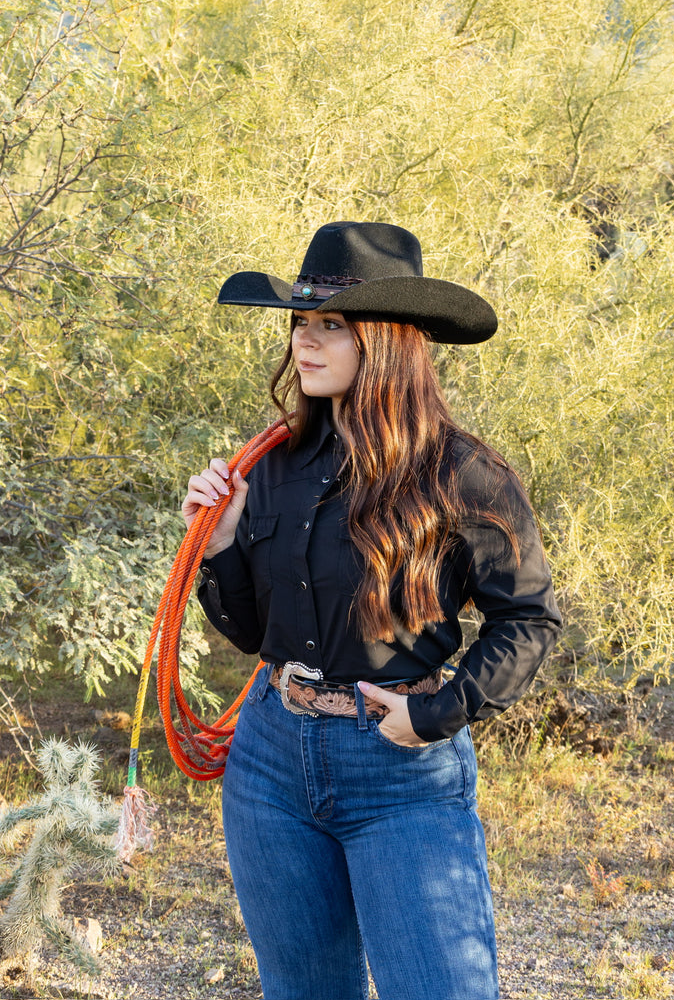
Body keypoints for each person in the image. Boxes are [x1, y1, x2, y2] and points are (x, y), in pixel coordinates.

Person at [182, 221, 562, 1000]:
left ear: (386, 341)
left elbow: (529, 618)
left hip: (399, 768)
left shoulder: (463, 474)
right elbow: (256, 635)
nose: (305, 345)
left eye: (332, 326)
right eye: (300, 324)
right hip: (269, 761)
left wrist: (442, 710)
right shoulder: (276, 466)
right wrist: (220, 543)